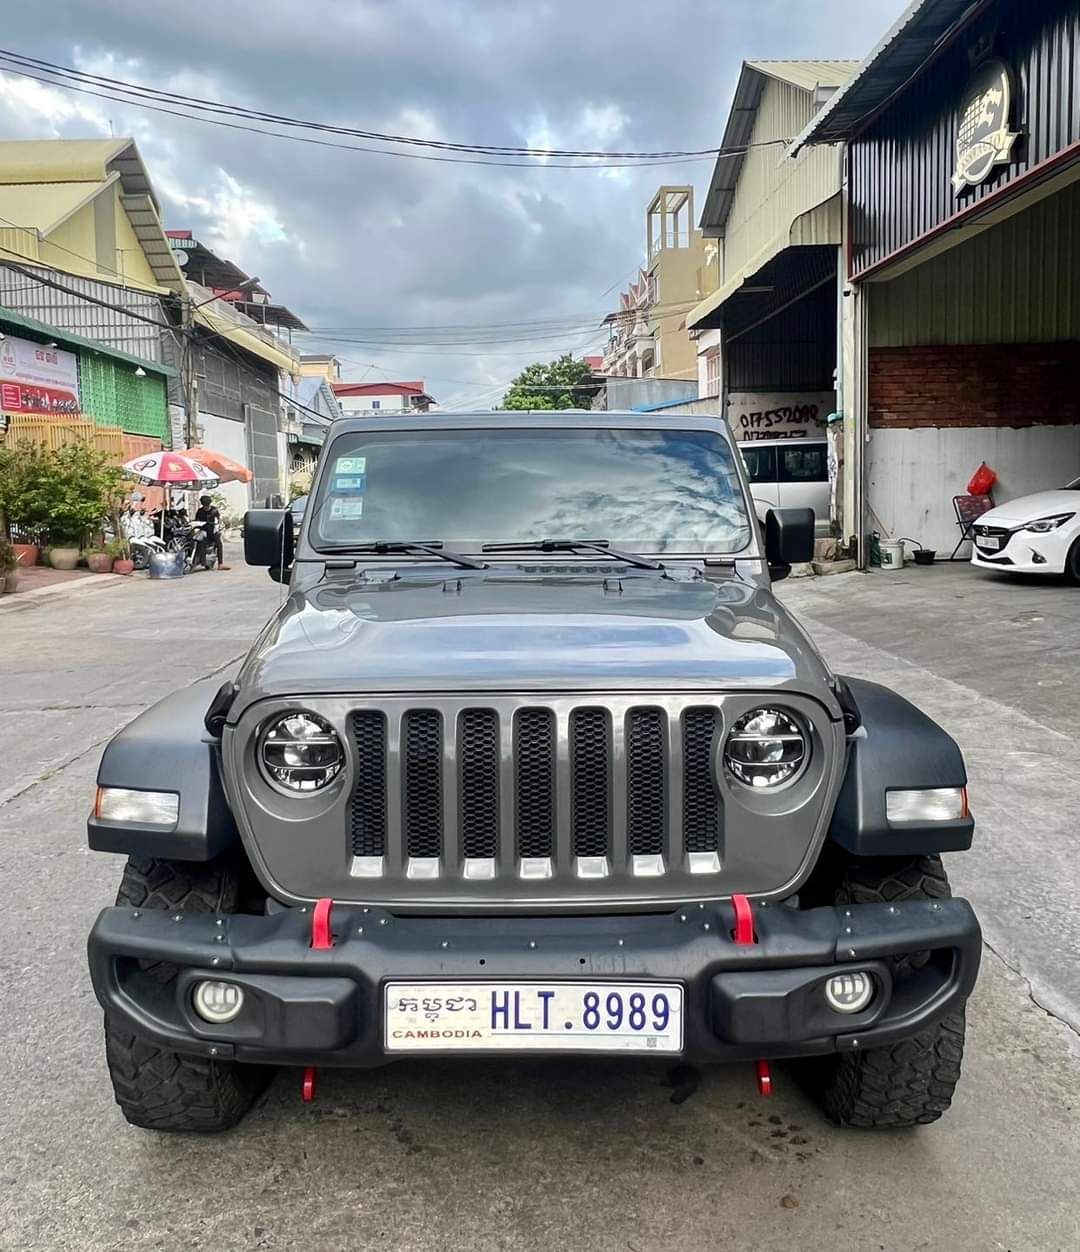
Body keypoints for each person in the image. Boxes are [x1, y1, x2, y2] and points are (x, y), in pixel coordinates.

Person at [194, 495, 227, 570]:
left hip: (212, 529)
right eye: (204, 505)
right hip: (203, 530)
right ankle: (201, 560)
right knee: (199, 541)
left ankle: (220, 564)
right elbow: (196, 521)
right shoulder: (200, 511)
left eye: (207, 505)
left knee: (219, 544)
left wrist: (217, 526)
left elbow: (218, 520)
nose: (206, 507)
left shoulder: (214, 510)